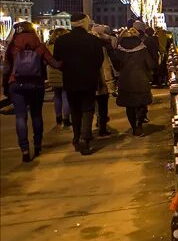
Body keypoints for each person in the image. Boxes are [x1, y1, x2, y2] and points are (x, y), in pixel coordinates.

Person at [4, 22, 60, 162]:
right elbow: (54, 63)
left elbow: (6, 69)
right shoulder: (39, 46)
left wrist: (6, 85)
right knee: (36, 114)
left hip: (16, 84)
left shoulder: (12, 47)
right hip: (36, 84)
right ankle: (37, 143)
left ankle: (24, 149)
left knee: (20, 117)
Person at [53, 14, 106, 155]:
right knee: (88, 109)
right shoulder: (93, 40)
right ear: (84, 23)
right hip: (89, 79)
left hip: (70, 79)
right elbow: (99, 60)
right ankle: (84, 137)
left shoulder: (61, 40)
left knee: (75, 110)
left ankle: (76, 137)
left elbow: (57, 60)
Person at [113, 27, 156, 136]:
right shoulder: (142, 48)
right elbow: (150, 64)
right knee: (141, 103)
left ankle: (134, 127)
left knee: (129, 105)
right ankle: (139, 125)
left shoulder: (119, 50)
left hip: (125, 80)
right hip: (141, 79)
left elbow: (117, 67)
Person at [91, 25, 117, 136]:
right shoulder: (104, 46)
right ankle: (102, 127)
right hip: (102, 80)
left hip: (89, 80)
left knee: (92, 105)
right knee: (102, 105)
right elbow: (108, 65)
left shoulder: (85, 45)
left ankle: (90, 128)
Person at [46, 28, 70, 128]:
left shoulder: (48, 46)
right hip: (64, 72)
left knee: (57, 96)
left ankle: (58, 117)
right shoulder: (66, 46)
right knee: (65, 96)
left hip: (52, 73)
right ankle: (66, 119)